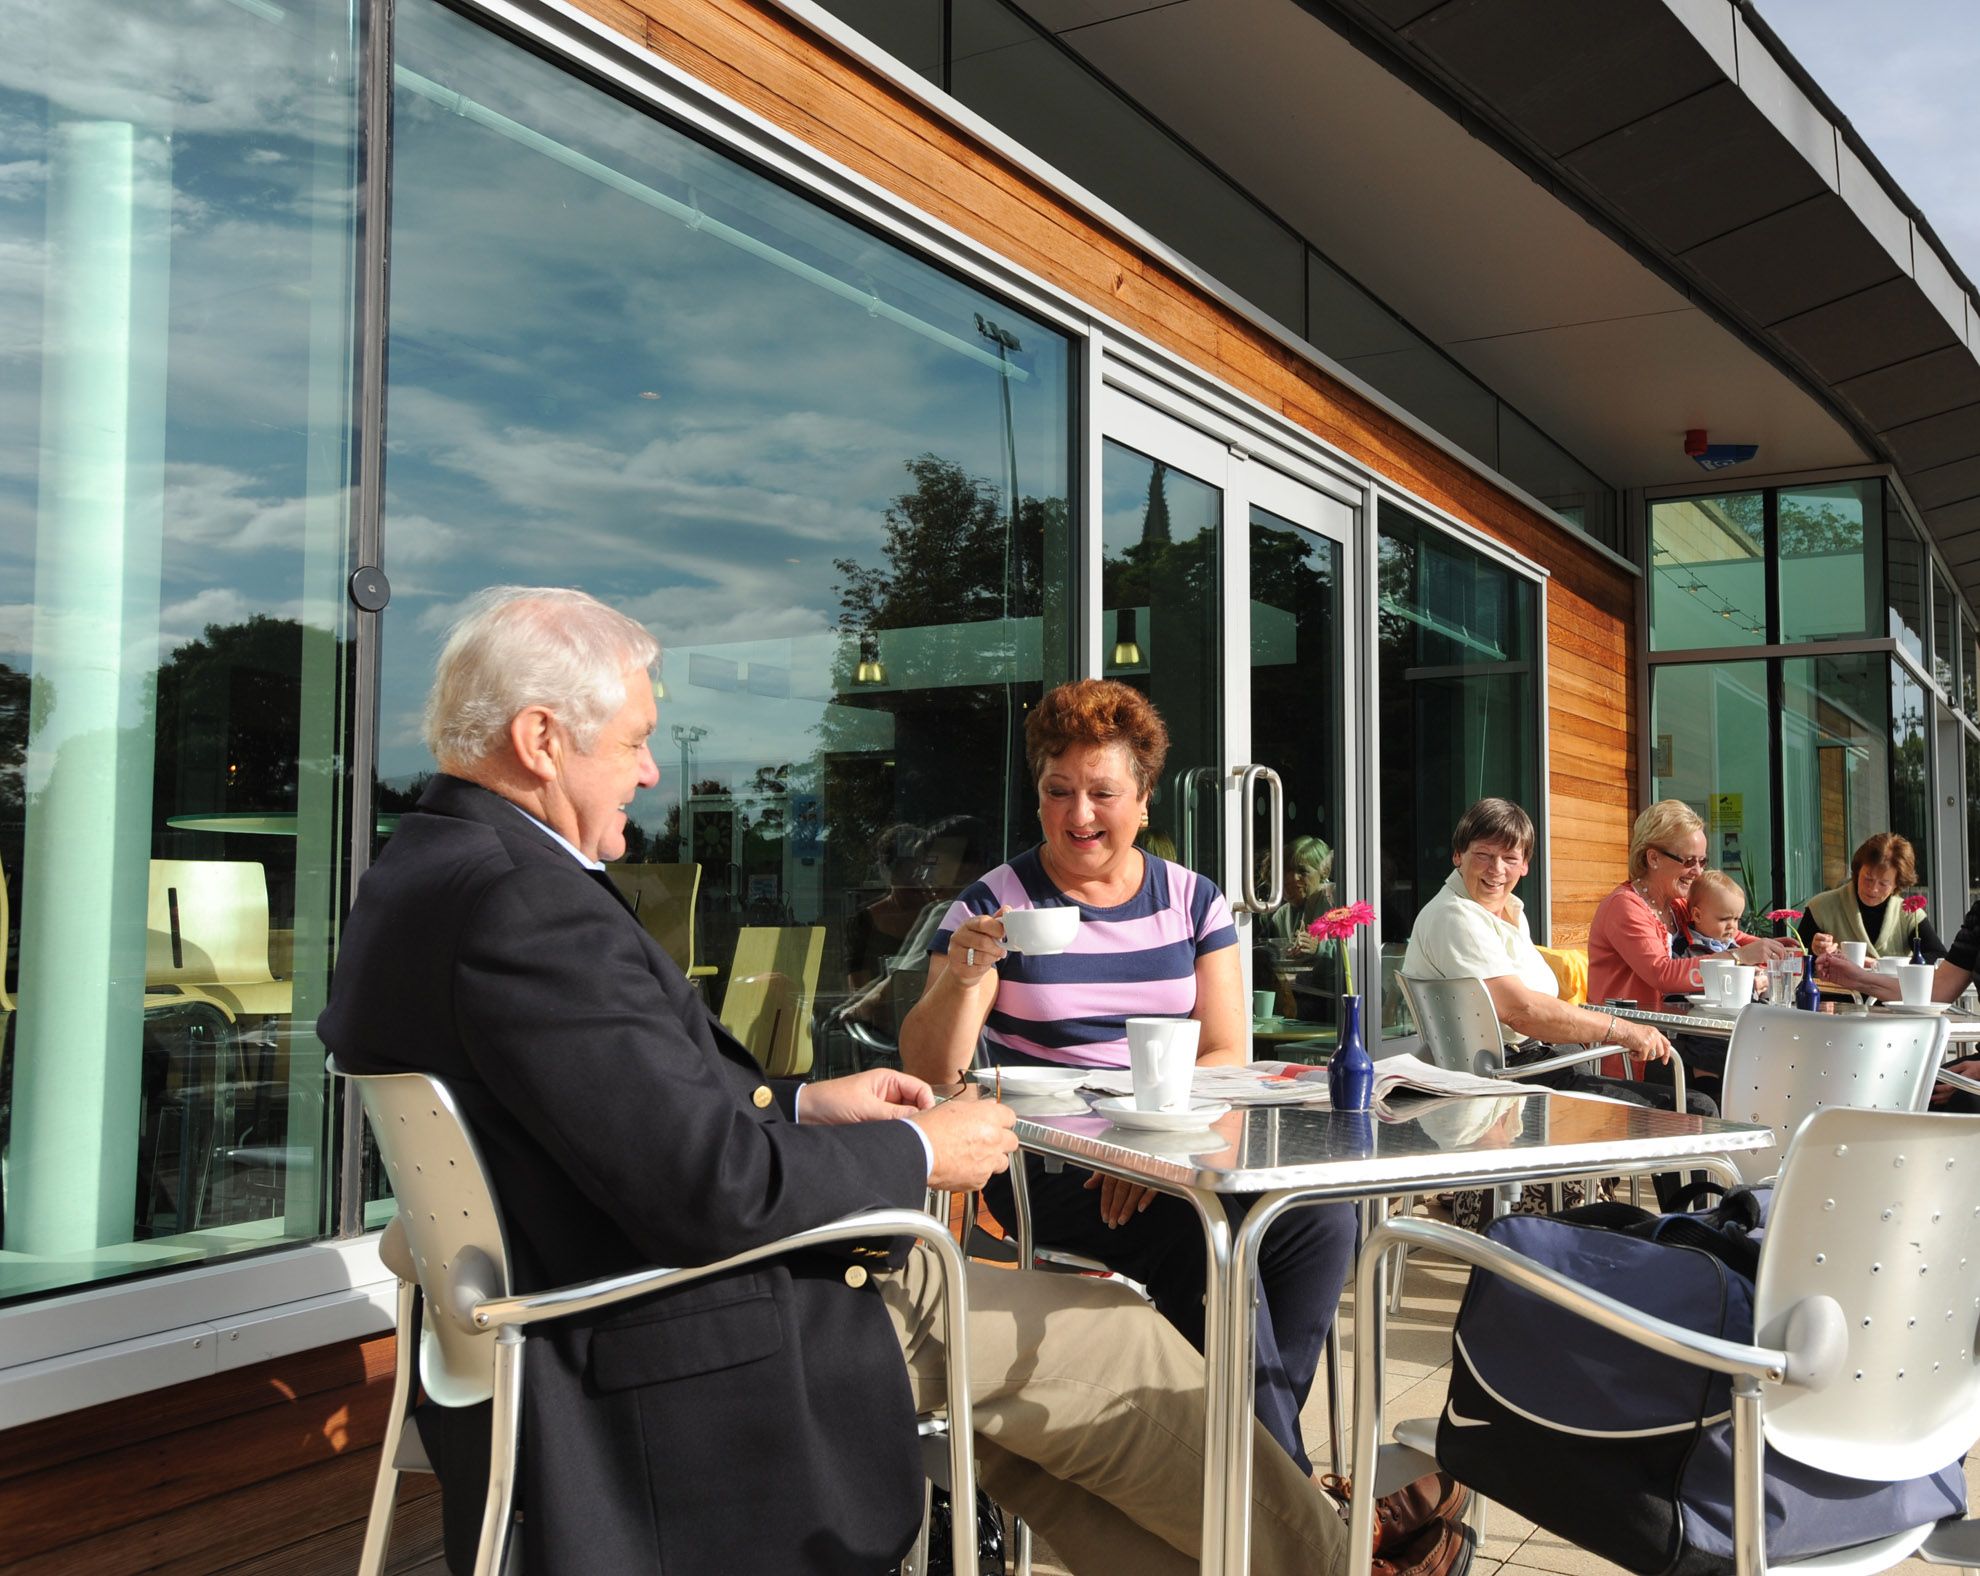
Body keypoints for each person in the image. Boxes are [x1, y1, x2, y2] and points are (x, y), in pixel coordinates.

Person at [318, 589, 1375, 1576]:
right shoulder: (525, 903)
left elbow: (619, 1118)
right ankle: (1334, 1563)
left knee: (1069, 1424)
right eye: (636, 740)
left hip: (623, 1289)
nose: (650, 773)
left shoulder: (424, 878)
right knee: (1121, 1347)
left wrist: (801, 1102)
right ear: (543, 739)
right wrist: (919, 1150)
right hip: (694, 1318)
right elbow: (706, 1186)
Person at [898, 679, 1358, 1483]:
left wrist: (1147, 1142)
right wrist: (965, 975)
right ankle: (1284, 1503)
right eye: (1058, 791)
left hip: (1171, 1149)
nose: (1079, 814)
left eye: (1103, 793)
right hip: (1046, 1164)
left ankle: (1247, 1487)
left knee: (1319, 1222)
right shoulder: (993, 904)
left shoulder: (1193, 902)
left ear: (1144, 801)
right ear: (1038, 796)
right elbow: (932, 1071)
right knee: (1206, 1240)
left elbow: (1226, 1052)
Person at [1399, 798, 1687, 1101]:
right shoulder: (1455, 916)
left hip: (1537, 1061)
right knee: (1693, 1104)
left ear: (1525, 865)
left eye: (1510, 858)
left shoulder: (1507, 911)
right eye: (1483, 855)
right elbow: (1521, 1011)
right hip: (1508, 1077)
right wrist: (1622, 1029)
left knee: (1667, 1084)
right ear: (1458, 855)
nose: (1496, 869)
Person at [1797, 832, 1944, 961]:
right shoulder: (1821, 907)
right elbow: (1796, 957)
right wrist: (1814, 950)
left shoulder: (1908, 914)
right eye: (1868, 878)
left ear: (1897, 884)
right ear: (1857, 871)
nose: (1873, 889)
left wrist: (1885, 966)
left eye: (1883, 884)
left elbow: (1938, 957)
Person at [1683, 869, 1746, 955]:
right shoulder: (1685, 949)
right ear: (1697, 915)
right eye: (1724, 919)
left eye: (1736, 919)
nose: (1732, 926)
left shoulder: (1732, 944)